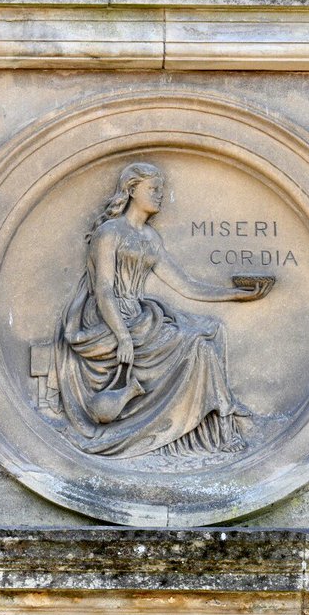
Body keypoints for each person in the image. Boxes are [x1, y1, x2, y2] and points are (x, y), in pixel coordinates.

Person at [52, 161, 273, 458]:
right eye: (153, 189)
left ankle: (220, 413)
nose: (159, 195)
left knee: (209, 329)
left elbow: (186, 286)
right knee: (196, 343)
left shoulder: (150, 238)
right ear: (131, 190)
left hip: (139, 317)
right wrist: (123, 336)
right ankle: (222, 415)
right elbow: (104, 290)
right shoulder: (110, 233)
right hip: (108, 319)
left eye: (161, 189)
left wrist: (235, 294)